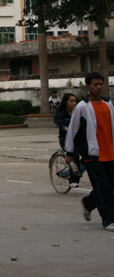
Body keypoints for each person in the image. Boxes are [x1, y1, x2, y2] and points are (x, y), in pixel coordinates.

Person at [65, 72, 114, 231]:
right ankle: (109, 219)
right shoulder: (82, 107)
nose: (99, 87)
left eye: (101, 84)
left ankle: (88, 202)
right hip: (93, 154)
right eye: (95, 84)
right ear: (87, 86)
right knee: (103, 187)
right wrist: (70, 153)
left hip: (110, 153)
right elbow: (73, 131)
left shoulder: (109, 104)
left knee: (109, 186)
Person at [57, 93, 81, 187]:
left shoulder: (77, 113)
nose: (74, 103)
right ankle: (73, 180)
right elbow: (62, 125)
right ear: (65, 102)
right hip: (65, 140)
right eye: (71, 101)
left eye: (75, 101)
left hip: (77, 139)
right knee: (74, 156)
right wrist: (69, 129)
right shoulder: (62, 114)